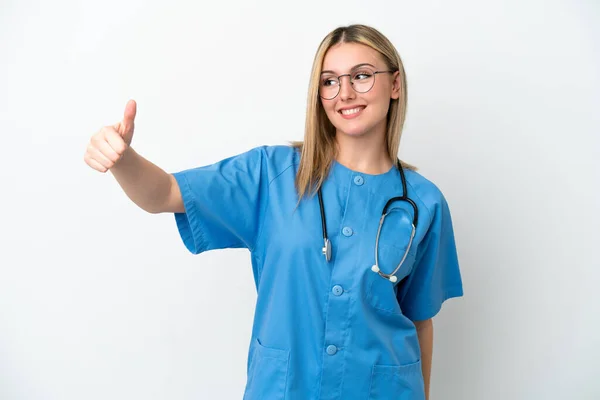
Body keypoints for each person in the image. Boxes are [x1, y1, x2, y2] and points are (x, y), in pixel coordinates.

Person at [84, 24, 463, 400]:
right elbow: (165, 192)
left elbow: (419, 319)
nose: (345, 92)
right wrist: (123, 159)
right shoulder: (271, 174)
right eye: (330, 81)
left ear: (395, 85)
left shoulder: (423, 202)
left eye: (362, 76)